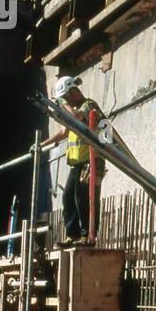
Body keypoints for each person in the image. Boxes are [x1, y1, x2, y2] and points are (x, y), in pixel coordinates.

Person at [45, 76, 104, 245]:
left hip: (92, 160)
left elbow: (78, 118)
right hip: (77, 162)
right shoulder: (73, 109)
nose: (66, 100)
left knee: (84, 197)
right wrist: (42, 145)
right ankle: (73, 235)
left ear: (74, 91)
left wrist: (64, 104)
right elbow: (64, 132)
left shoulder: (89, 105)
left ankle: (87, 235)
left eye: (67, 96)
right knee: (68, 197)